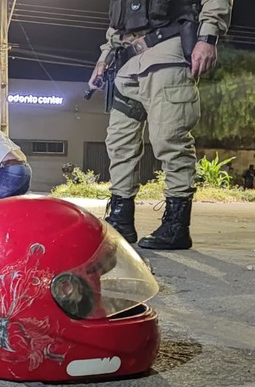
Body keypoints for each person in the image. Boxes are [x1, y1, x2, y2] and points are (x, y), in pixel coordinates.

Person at [89, 0, 233, 250]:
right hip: (127, 62)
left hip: (168, 52)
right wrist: (104, 57)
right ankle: (120, 220)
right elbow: (118, 20)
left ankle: (176, 227)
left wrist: (207, 38)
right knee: (119, 143)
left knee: (170, 139)